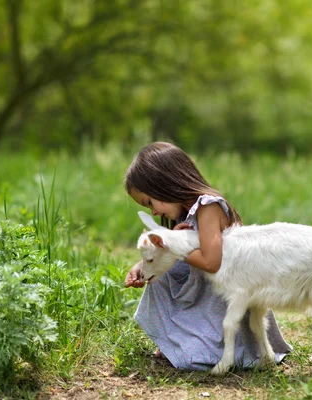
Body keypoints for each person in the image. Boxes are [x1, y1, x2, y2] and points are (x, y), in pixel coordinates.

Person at [124, 141, 291, 371]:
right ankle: (178, 339)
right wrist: (143, 267)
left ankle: (205, 346)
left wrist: (175, 245)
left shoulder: (207, 207)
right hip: (205, 293)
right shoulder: (185, 214)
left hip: (225, 298)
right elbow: (171, 257)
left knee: (194, 355)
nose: (152, 212)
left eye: (150, 202)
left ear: (164, 182)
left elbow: (212, 263)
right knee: (159, 280)